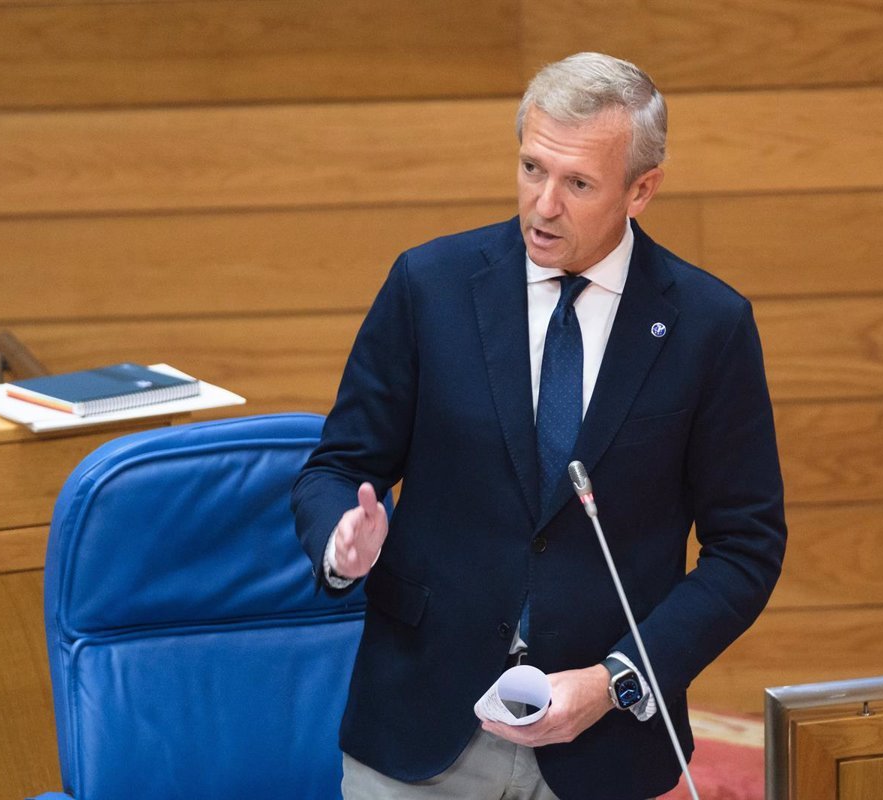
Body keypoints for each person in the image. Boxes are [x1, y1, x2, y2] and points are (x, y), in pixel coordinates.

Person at [291, 52, 786, 800]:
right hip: (423, 729)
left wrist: (619, 679)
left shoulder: (708, 326)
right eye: (531, 168)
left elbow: (746, 547)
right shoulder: (430, 287)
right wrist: (341, 542)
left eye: (578, 183)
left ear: (641, 189)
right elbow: (337, 467)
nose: (543, 205)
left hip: (608, 744)